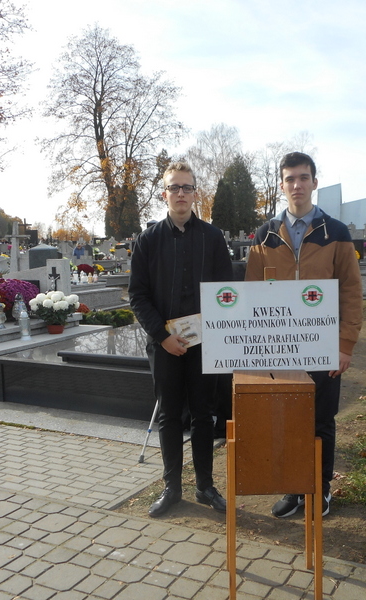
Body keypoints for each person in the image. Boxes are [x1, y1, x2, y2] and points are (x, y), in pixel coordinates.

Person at [245, 152, 363, 518]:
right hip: (279, 348)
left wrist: (344, 345)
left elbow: (351, 292)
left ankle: (319, 489)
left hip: (323, 345)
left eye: (304, 177)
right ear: (281, 185)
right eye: (290, 179)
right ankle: (294, 488)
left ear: (314, 182)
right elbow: (251, 292)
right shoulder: (264, 235)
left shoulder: (336, 233)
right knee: (285, 417)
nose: (297, 185)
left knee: (321, 420)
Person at [129, 161, 233, 518]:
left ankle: (205, 485)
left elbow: (225, 292)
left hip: (205, 345)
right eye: (175, 187)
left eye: (187, 187)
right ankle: (172, 486)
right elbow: (138, 295)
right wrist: (162, 336)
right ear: (164, 194)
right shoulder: (148, 240)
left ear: (195, 193)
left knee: (204, 415)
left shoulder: (213, 238)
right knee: (170, 416)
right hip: (165, 345)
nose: (181, 194)